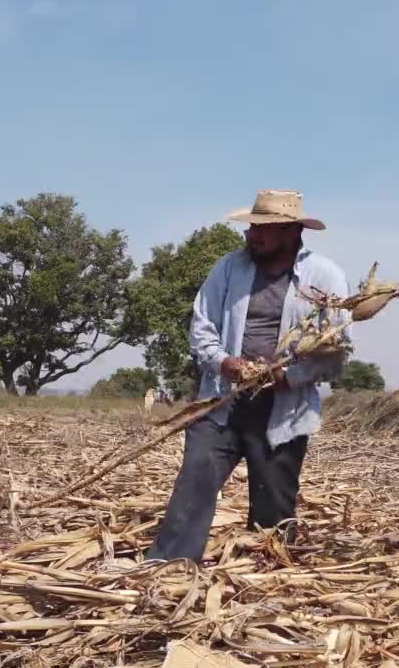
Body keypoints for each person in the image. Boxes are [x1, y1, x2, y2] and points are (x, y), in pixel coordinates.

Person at [145, 189, 350, 563]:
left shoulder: (324, 277)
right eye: (253, 226)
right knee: (194, 483)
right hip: (221, 401)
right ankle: (167, 567)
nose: (252, 235)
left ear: (292, 232)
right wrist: (226, 363)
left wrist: (288, 376)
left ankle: (267, 577)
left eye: (264, 229)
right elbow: (201, 328)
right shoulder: (228, 269)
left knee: (273, 507)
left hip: (282, 410)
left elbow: (336, 354)